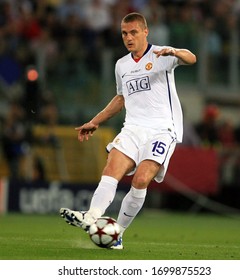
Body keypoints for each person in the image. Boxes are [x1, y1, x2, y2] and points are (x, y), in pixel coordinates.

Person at [60, 12, 196, 249]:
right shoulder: (121, 65)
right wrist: (95, 121)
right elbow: (121, 98)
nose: (128, 37)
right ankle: (91, 217)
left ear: (145, 32)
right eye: (124, 33)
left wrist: (174, 52)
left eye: (133, 32)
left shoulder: (162, 53)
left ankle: (117, 233)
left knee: (142, 179)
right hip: (133, 127)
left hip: (162, 129)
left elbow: (192, 58)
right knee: (112, 167)